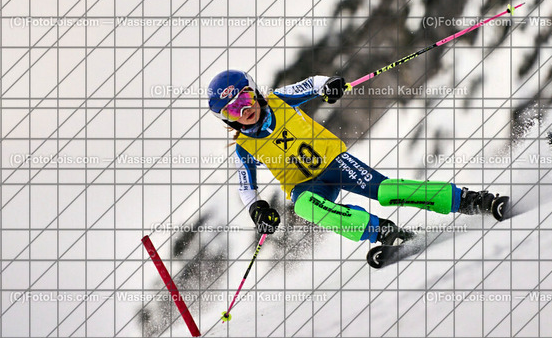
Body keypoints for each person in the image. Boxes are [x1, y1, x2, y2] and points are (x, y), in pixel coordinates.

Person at [208, 69, 509, 250]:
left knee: (386, 192)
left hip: (335, 164)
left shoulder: (279, 100)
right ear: (228, 119)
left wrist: (329, 85)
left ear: (254, 92)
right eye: (233, 110)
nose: (244, 110)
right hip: (306, 187)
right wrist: (258, 210)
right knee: (303, 206)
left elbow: (312, 84)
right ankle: (381, 231)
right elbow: (247, 189)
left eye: (244, 99)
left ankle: (468, 200)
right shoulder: (244, 148)